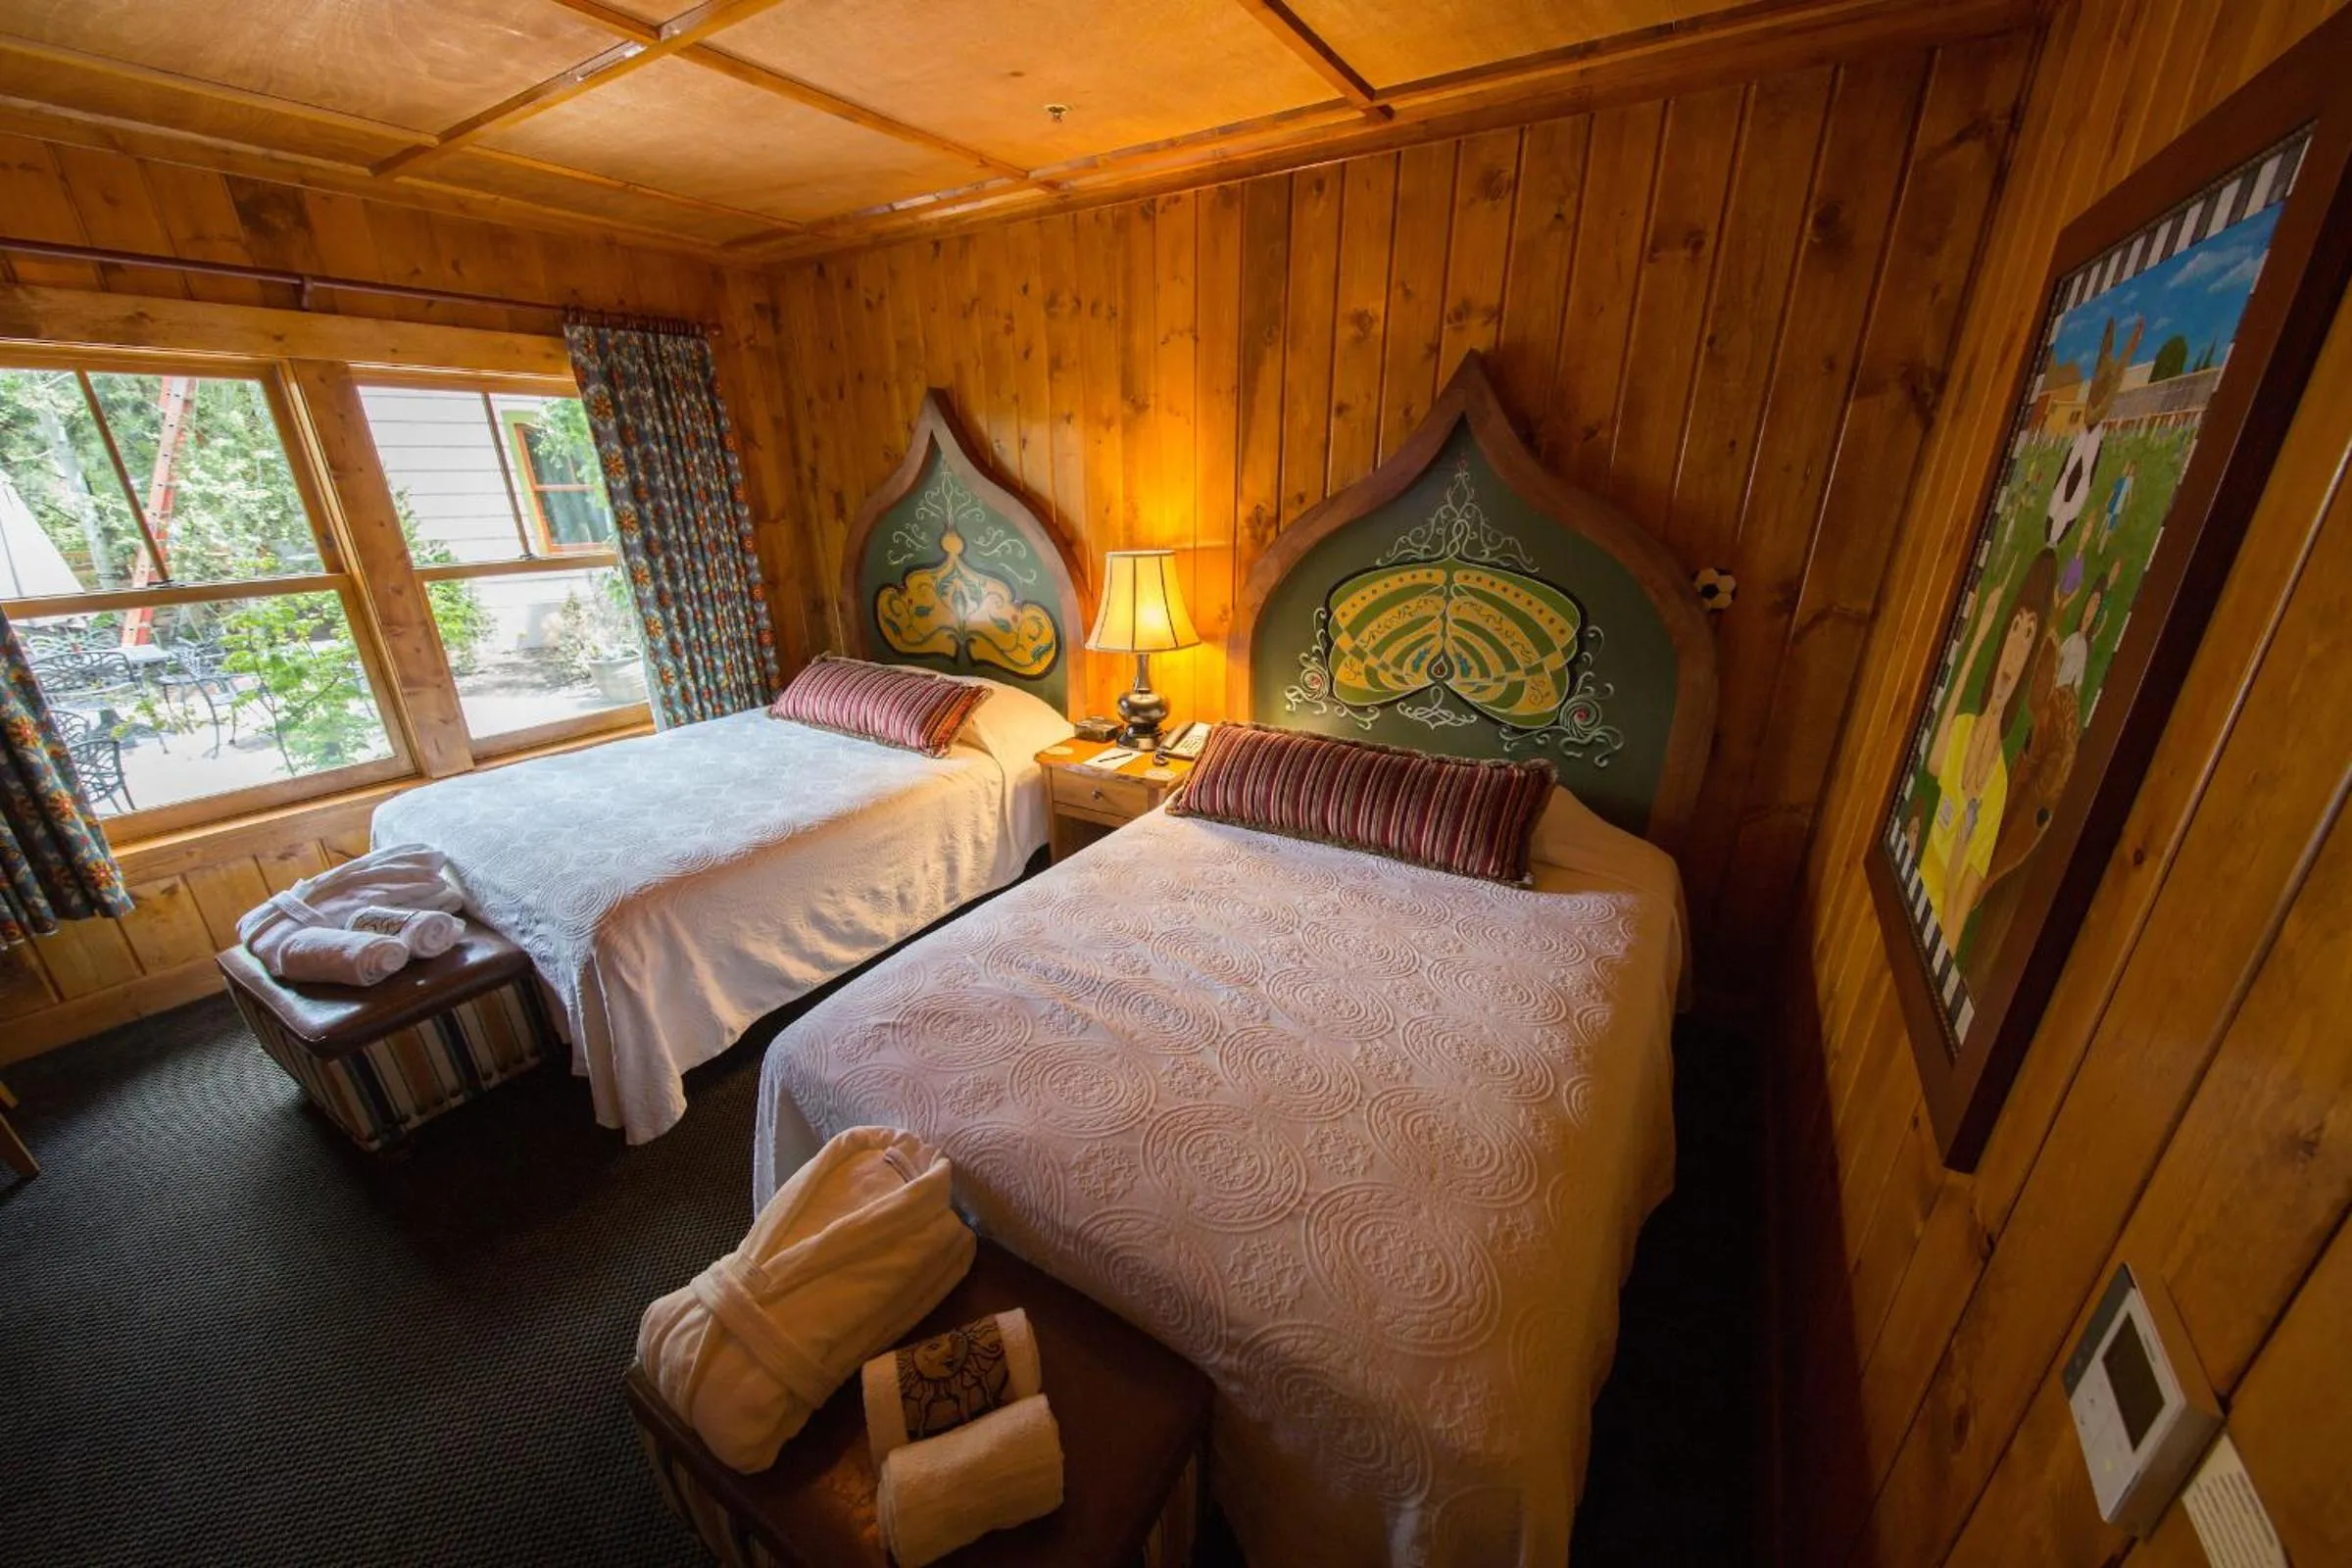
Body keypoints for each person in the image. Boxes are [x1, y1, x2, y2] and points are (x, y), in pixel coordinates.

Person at [1918, 550, 2057, 947]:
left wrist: (1960, 854)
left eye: (2029, 633)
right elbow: (1934, 762)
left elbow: (1952, 930)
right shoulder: (1961, 728)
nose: (2016, 645)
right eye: (2015, 627)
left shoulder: (1996, 788)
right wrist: (1978, 635)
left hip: (1927, 920)